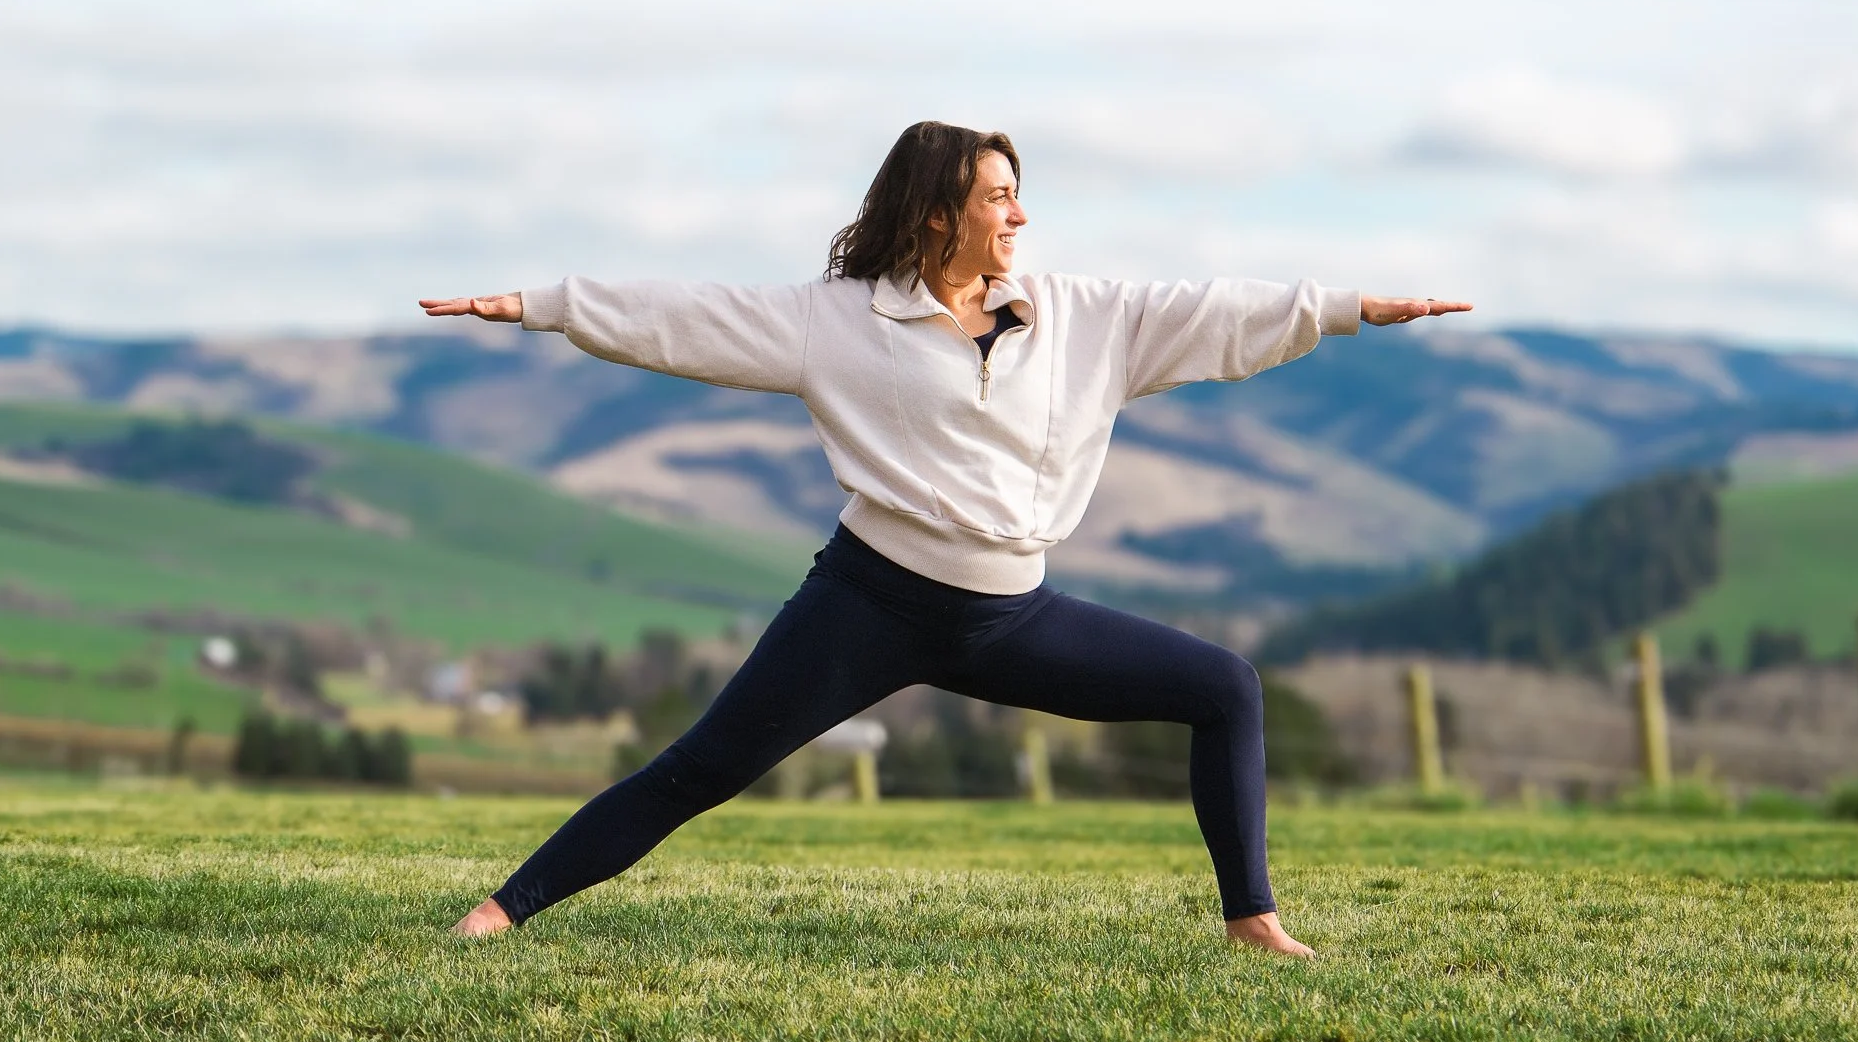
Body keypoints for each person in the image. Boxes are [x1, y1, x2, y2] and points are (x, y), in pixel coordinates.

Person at [421, 120, 1470, 957]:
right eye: (997, 196)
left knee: (1224, 686)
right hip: (865, 604)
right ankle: (500, 911)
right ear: (936, 214)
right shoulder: (836, 319)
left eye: (1017, 193)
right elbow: (685, 316)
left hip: (1011, 616)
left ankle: (1251, 919)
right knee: (701, 768)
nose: (1019, 214)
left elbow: (1213, 313)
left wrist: (1342, 308)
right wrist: (542, 304)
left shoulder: (1076, 316)